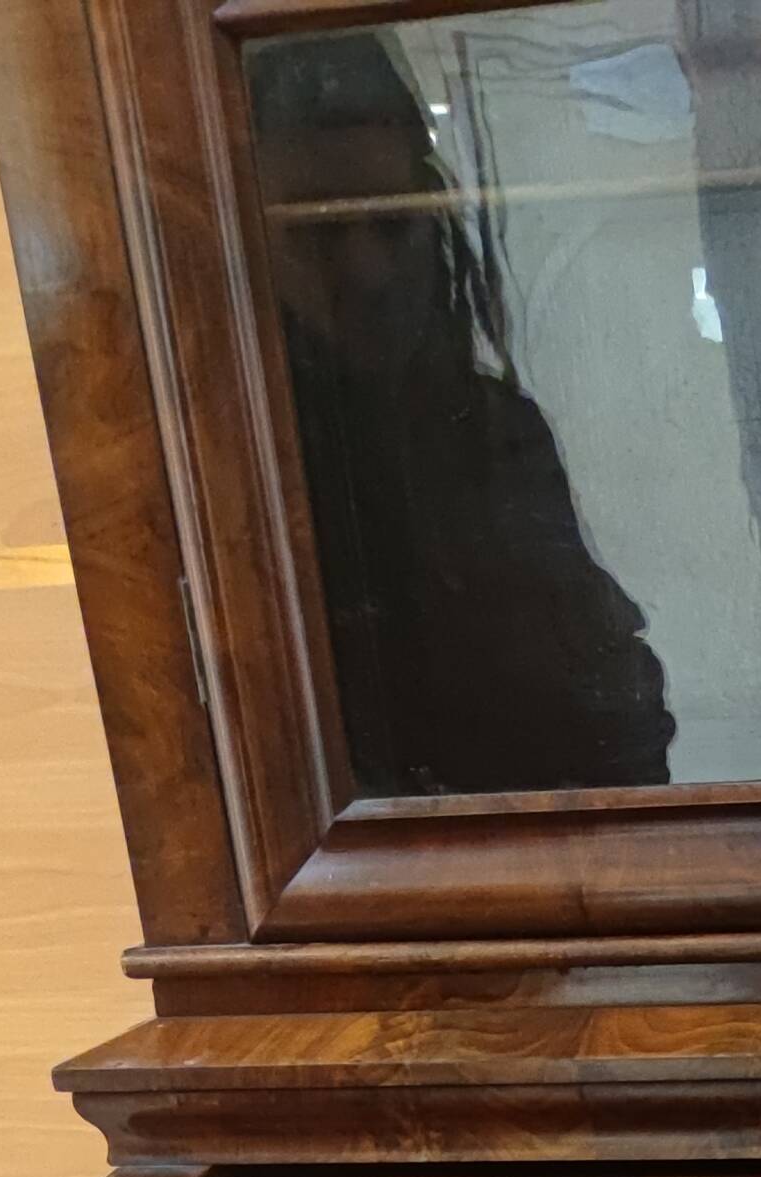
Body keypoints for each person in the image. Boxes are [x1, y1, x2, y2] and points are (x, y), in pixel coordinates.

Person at [246, 29, 674, 796]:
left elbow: (609, 694)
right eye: (319, 229)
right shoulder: (236, 462)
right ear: (249, 243)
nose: (368, 268)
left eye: (390, 220)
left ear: (429, 213)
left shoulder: (493, 427)